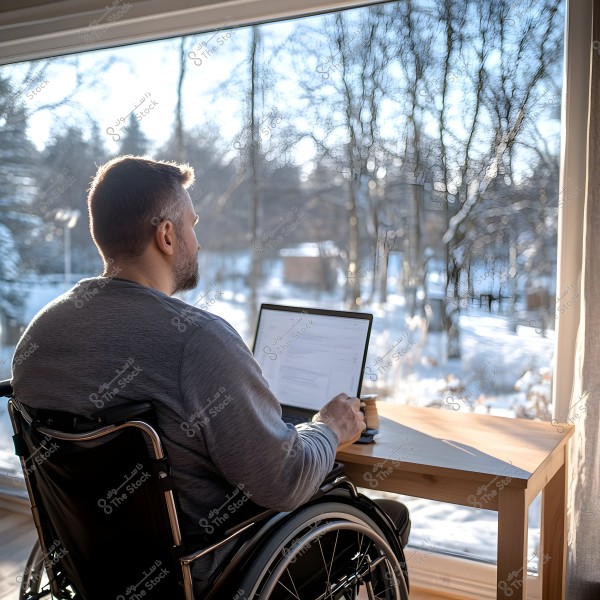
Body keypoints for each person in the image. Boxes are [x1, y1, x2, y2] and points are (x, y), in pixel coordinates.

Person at [11, 156, 409, 595]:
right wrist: (329, 429)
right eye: (192, 225)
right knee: (388, 516)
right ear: (166, 235)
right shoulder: (197, 340)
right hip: (208, 574)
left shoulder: (40, 336)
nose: (197, 243)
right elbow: (285, 480)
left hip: (93, 572)